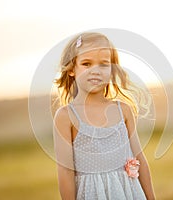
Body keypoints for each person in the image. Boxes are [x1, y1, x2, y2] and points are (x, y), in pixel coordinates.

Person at [53, 32, 155, 200]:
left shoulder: (123, 110)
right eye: (86, 64)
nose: (96, 71)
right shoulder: (67, 116)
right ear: (72, 69)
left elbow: (140, 160)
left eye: (103, 64)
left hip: (128, 193)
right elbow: (65, 171)